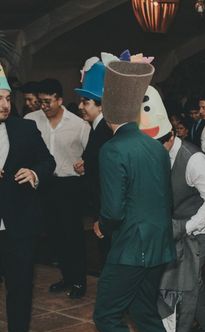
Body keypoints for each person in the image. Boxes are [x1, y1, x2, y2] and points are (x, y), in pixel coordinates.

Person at [92, 60, 186, 332]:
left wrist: (102, 224)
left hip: (133, 244)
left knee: (106, 315)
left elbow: (114, 210)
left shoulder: (112, 150)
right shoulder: (154, 146)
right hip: (159, 242)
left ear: (107, 111)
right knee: (143, 310)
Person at [140, 87, 205, 332]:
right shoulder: (155, 154)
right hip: (173, 226)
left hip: (200, 227)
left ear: (171, 135)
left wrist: (189, 226)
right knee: (177, 277)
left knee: (191, 279)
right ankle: (197, 320)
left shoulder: (194, 159)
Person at [0, 63, 56, 332]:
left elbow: (47, 162)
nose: (6, 105)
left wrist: (34, 173)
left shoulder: (25, 129)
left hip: (19, 225)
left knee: (20, 289)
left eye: (8, 98)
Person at [25, 78, 90, 298]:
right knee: (53, 235)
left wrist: (85, 166)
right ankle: (67, 277)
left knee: (72, 234)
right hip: (43, 185)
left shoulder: (79, 124)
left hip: (69, 185)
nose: (43, 106)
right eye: (40, 102)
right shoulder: (30, 120)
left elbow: (91, 155)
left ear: (60, 100)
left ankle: (79, 281)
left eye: (48, 102)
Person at [74, 58, 113, 268]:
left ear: (101, 105)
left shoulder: (104, 131)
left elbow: (107, 177)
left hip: (105, 208)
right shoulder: (97, 129)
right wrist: (86, 164)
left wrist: (102, 217)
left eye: (86, 102)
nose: (80, 106)